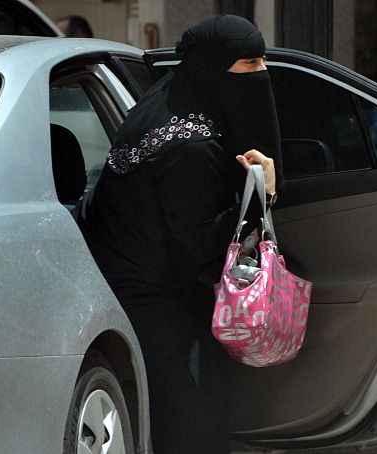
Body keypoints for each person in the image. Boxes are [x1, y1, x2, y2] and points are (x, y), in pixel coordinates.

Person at [80, 15, 280, 454]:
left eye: (264, 61)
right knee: (189, 424)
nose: (262, 75)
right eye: (249, 63)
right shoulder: (191, 148)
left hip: (133, 286)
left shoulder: (163, 105)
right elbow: (204, 248)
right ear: (212, 67)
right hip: (156, 304)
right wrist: (261, 196)